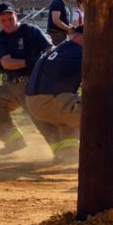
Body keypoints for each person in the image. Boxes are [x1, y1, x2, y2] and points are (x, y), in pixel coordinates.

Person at [0, 2, 55, 156]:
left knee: (38, 115)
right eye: (3, 20)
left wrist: (40, 65)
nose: (7, 23)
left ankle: (64, 149)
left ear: (16, 16)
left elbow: (50, 51)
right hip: (13, 84)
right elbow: (7, 63)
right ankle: (14, 141)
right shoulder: (0, 38)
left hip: (34, 81)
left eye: (10, 18)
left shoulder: (31, 31)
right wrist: (31, 61)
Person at [25, 26, 84, 164]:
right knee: (100, 116)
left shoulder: (63, 47)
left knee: (70, 110)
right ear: (81, 38)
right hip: (50, 101)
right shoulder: (80, 51)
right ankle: (110, 158)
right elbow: (105, 65)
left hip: (34, 104)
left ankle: (69, 154)